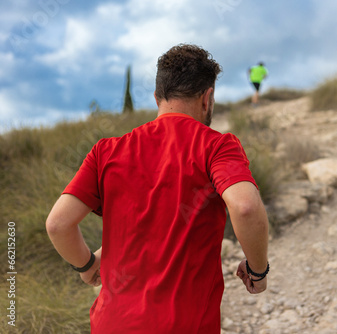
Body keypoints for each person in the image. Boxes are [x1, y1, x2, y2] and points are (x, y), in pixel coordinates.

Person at [46, 44, 270, 333]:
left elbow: (58, 224)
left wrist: (87, 265)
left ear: (157, 97)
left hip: (110, 323)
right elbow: (246, 207)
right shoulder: (216, 145)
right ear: (207, 97)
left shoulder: (106, 151)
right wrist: (257, 270)